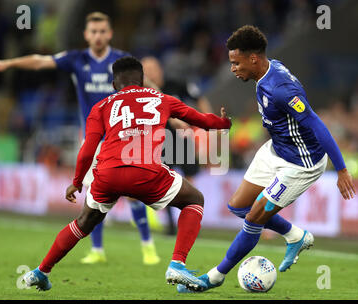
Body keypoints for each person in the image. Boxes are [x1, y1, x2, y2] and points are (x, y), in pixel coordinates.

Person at [22, 56, 232, 291]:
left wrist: (77, 182)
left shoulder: (101, 107)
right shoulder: (162, 99)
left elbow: (87, 150)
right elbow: (201, 120)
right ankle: (177, 264)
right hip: (146, 173)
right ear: (142, 81)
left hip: (108, 175)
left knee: (83, 222)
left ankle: (40, 271)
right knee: (194, 200)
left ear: (113, 84)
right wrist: (223, 123)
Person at [177, 25, 356, 293]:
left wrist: (341, 169)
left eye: (236, 63)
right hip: (276, 149)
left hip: (300, 163)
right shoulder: (267, 72)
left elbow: (317, 124)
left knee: (253, 218)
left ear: (253, 59)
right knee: (238, 206)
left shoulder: (281, 89)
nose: (233, 69)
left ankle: (213, 277)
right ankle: (295, 236)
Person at [0, 12, 160, 266]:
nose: (98, 36)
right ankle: (97, 250)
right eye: (93, 32)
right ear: (86, 35)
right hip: (93, 139)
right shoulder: (77, 60)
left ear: (109, 34)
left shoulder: (121, 60)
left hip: (124, 136)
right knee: (94, 194)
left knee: (134, 192)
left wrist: (169, 108)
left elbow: (149, 84)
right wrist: (9, 64)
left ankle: (147, 247)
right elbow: (39, 61)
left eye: (102, 31)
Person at [141, 56, 213, 235]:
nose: (150, 73)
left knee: (190, 181)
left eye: (152, 68)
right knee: (164, 184)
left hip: (183, 140)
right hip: (159, 144)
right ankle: (171, 224)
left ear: (160, 69)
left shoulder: (177, 84)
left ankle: (191, 219)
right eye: (145, 70)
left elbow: (199, 98)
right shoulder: (141, 94)